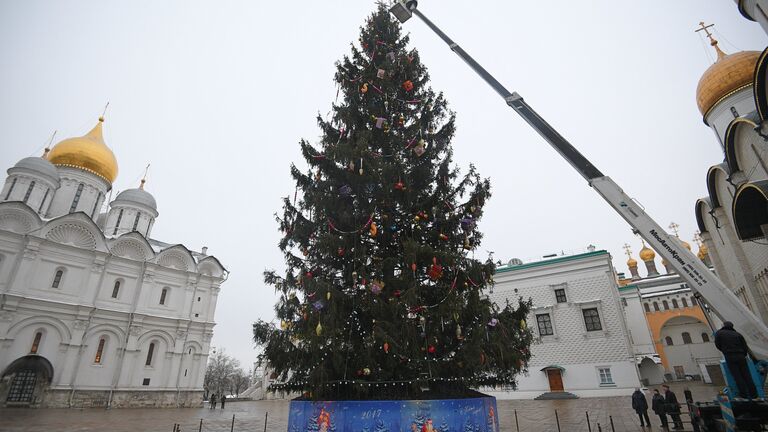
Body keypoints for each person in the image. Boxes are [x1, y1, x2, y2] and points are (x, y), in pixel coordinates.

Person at [714, 321, 758, 399]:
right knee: (747, 376)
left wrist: (725, 350)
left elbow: (717, 344)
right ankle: (754, 394)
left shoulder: (719, 333)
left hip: (730, 356)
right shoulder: (738, 334)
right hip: (741, 356)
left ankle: (743, 394)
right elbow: (745, 346)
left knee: (737, 376)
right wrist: (743, 354)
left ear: (723, 326)